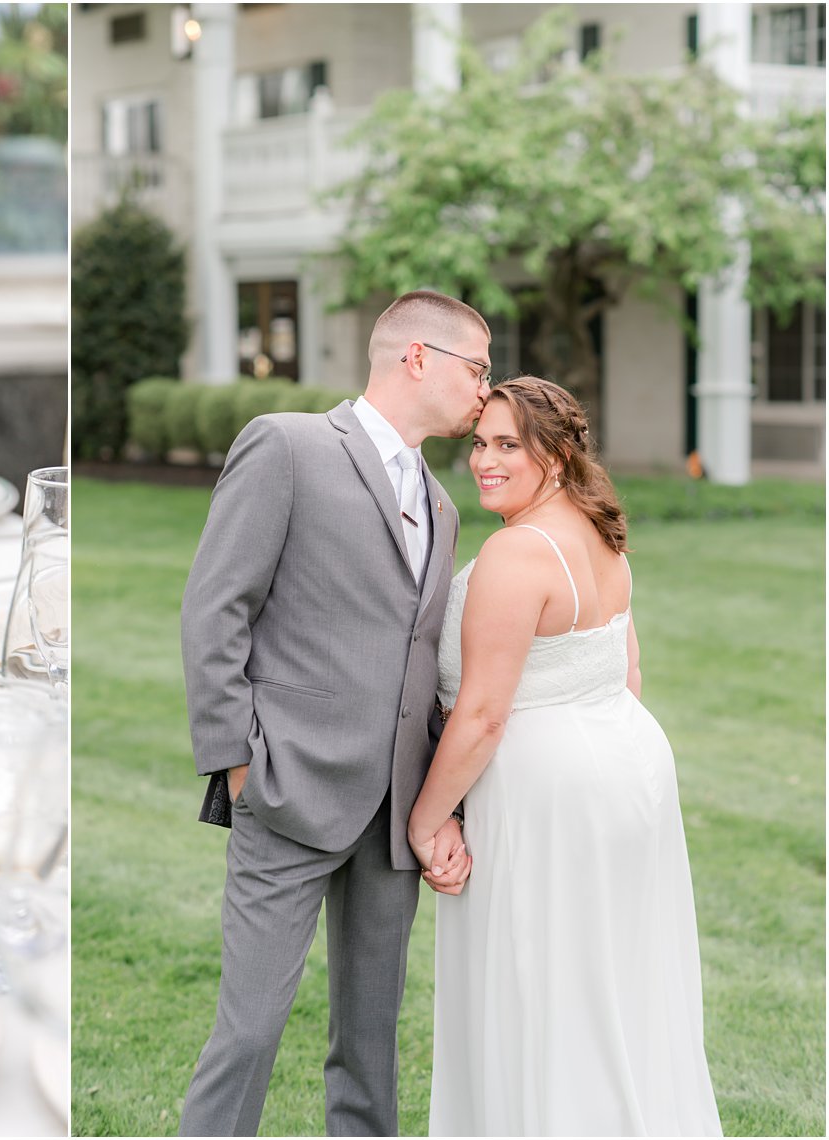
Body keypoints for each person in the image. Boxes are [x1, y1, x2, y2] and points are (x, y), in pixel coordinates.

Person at [178, 290, 485, 1137]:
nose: (485, 391)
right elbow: (215, 610)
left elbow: (421, 664)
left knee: (371, 1042)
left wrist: (440, 805)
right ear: (417, 356)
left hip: (394, 813)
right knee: (248, 1032)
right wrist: (239, 763)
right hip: (288, 789)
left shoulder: (444, 506)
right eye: (478, 368)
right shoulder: (290, 445)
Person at [410, 376, 722, 1135]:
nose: (485, 460)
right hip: (628, 767)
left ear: (555, 452)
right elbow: (628, 672)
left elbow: (482, 715)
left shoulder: (518, 554)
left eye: (508, 445)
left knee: (541, 988)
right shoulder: (600, 531)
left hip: (544, 794)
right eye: (480, 443)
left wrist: (427, 821)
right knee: (614, 980)